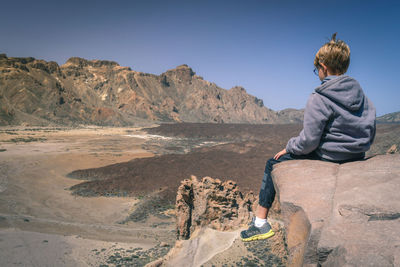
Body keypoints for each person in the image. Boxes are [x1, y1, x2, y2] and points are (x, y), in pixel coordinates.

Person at [240, 33, 376, 242]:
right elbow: (370, 129)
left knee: (272, 163)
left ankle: (260, 224)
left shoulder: (320, 97)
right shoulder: (362, 95)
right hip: (358, 154)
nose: (317, 74)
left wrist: (289, 146)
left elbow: (310, 141)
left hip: (328, 156)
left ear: (323, 66)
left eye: (317, 70)